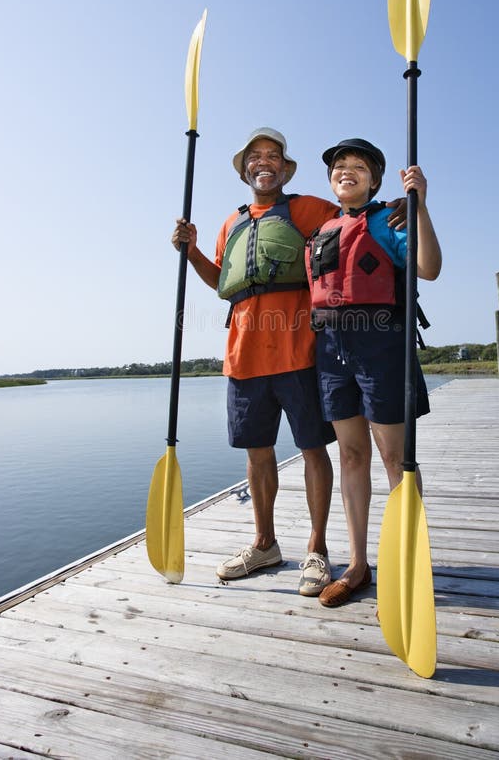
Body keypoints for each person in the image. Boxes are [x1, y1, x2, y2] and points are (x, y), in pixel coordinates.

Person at [172, 128, 406, 597]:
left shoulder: (309, 208)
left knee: (314, 449)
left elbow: (354, 210)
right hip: (242, 357)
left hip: (301, 352)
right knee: (257, 454)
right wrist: (191, 250)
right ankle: (265, 544)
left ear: (286, 167)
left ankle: (318, 548)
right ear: (244, 170)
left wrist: (399, 206)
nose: (264, 163)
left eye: (273, 156)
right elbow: (223, 282)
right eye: (255, 157)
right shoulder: (230, 223)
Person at [304, 138, 441, 608]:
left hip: (380, 345)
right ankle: (358, 564)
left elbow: (430, 267)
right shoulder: (323, 229)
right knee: (351, 455)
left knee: (394, 456)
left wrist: (420, 205)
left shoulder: (391, 218)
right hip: (331, 350)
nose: (347, 171)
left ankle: (408, 558)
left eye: (358, 166)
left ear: (375, 179)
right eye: (340, 166)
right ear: (331, 180)